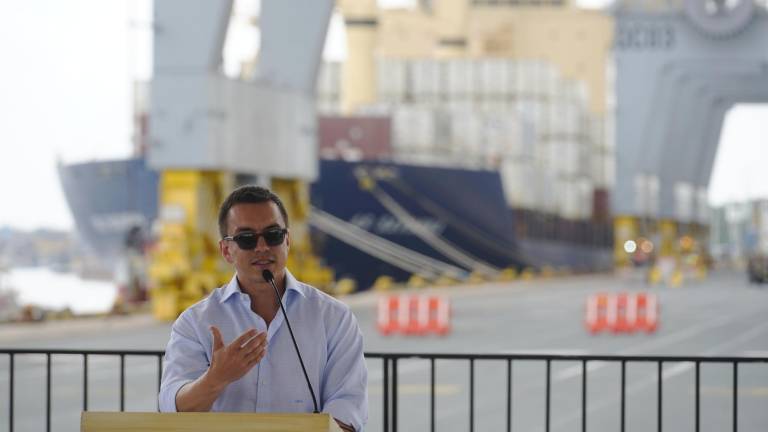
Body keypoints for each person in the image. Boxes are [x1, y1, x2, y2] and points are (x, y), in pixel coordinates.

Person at [159, 185, 367, 431]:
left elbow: (348, 407)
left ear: (287, 240)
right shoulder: (194, 322)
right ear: (226, 250)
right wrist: (216, 379)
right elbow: (173, 408)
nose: (262, 247)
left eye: (273, 235)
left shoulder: (334, 318)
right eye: (246, 238)